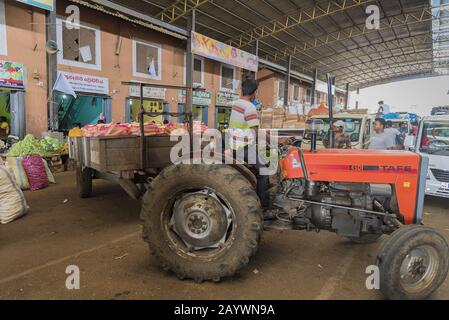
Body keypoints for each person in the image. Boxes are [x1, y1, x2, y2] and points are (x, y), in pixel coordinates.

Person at [228, 78, 270, 211]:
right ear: (254, 92)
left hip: (234, 145)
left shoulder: (236, 104)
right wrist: (276, 141)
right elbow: (256, 133)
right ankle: (263, 207)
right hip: (243, 148)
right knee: (264, 171)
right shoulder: (250, 107)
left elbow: (247, 127)